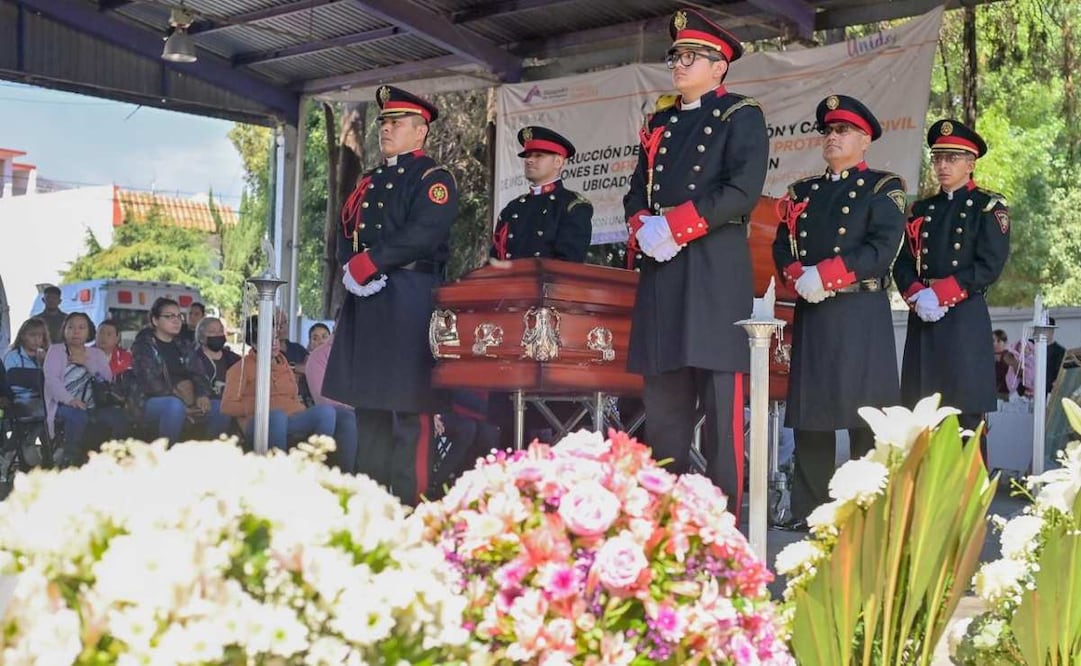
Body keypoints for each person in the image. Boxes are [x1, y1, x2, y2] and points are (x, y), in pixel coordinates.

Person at [622, 7, 767, 515]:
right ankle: (667, 522)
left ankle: (723, 524)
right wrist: (644, 226)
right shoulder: (659, 123)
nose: (679, 64)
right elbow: (636, 192)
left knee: (722, 410)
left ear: (719, 66)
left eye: (691, 57)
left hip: (713, 276)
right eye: (676, 56)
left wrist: (677, 226)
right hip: (663, 277)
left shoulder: (740, 115)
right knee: (664, 413)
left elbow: (742, 190)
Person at [772, 95, 907, 531]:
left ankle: (867, 512)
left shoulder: (883, 187)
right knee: (812, 415)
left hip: (859, 311)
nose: (832, 137)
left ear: (865, 140)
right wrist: (798, 274)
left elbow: (883, 247)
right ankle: (809, 511)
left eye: (843, 130)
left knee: (865, 415)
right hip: (815, 311)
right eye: (828, 130)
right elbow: (782, 245)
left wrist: (828, 274)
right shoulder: (803, 193)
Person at [322, 85, 458, 505]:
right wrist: (351, 267)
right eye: (383, 122)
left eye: (397, 123)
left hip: (411, 300)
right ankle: (370, 501)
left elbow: (424, 234)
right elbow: (347, 229)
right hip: (370, 300)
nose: (386, 129)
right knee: (370, 411)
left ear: (420, 132)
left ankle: (412, 505)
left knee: (411, 410)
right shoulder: (370, 180)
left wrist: (371, 263)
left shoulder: (433, 179)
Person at [894, 120, 1010, 445]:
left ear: (970, 164)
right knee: (921, 417)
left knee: (965, 418)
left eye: (952, 158)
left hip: (963, 320)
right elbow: (903, 263)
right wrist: (917, 293)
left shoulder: (987, 207)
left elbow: (989, 264)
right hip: (924, 320)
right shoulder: (922, 209)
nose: (942, 165)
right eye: (938, 158)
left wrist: (941, 294)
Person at [221, 315, 356, 470]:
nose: (274, 343)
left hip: (293, 417)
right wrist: (259, 404)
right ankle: (281, 472)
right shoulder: (241, 368)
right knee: (278, 416)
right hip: (259, 422)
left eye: (276, 338)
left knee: (330, 413)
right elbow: (226, 406)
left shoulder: (283, 363)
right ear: (253, 343)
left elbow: (293, 396)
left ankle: (325, 468)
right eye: (267, 339)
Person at [491, 126, 592, 262]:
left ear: (558, 162)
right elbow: (495, 259)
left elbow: (568, 264)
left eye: (538, 155)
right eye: (528, 155)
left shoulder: (572, 206)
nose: (529, 160)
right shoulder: (513, 208)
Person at [43, 313, 126, 466]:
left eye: (81, 327)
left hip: (93, 405)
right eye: (71, 327)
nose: (76, 331)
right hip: (62, 404)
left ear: (89, 332)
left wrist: (87, 363)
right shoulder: (56, 351)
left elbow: (107, 379)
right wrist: (70, 400)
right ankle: (70, 460)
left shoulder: (96, 354)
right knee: (78, 416)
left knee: (118, 416)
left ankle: (115, 459)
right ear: (64, 330)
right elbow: (51, 381)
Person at [130, 297, 211, 443]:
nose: (176, 321)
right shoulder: (143, 346)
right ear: (155, 320)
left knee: (217, 407)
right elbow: (149, 381)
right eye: (169, 316)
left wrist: (201, 395)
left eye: (179, 316)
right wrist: (181, 400)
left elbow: (199, 373)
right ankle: (167, 452)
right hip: (148, 401)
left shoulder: (184, 345)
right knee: (174, 406)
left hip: (187, 397)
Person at [303, 334, 360, 471]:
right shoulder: (319, 356)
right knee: (347, 418)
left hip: (362, 408)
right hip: (337, 411)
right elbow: (323, 397)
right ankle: (345, 478)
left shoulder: (366, 352)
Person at [191, 316, 241, 439]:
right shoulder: (193, 358)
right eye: (212, 331)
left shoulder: (234, 359)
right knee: (220, 408)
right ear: (201, 337)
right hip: (206, 404)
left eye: (220, 331)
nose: (218, 335)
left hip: (232, 402)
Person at [3, 318, 49, 419]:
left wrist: (44, 363)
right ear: (23, 336)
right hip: (20, 400)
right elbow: (9, 384)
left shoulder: (47, 356)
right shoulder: (12, 356)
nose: (36, 340)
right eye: (32, 335)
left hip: (45, 400)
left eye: (40, 336)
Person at [993, 329, 1017, 399]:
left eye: (998, 341)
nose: (994, 344)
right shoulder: (988, 356)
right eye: (992, 341)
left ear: (1005, 342)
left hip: (1004, 394)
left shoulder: (1008, 355)